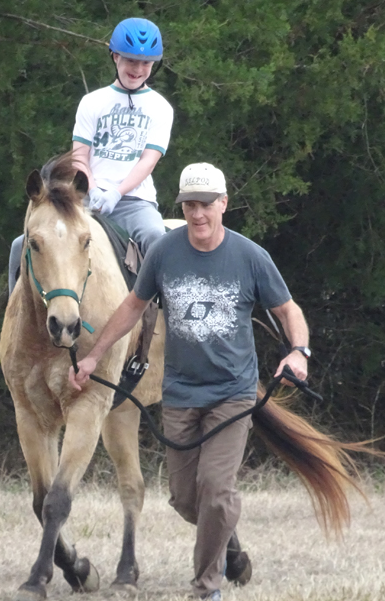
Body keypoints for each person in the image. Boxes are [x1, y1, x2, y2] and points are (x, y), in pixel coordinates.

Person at [69, 162, 311, 601]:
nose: (197, 214)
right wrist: (93, 357)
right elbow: (130, 308)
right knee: (185, 500)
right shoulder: (165, 252)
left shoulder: (249, 256)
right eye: (190, 205)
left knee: (216, 491)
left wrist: (298, 352)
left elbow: (288, 311)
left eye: (206, 205)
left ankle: (206, 588)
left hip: (232, 395)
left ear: (224, 204)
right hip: (180, 395)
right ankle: (226, 540)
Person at [0, 17, 174, 363]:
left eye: (145, 63)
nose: (138, 68)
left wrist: (117, 190)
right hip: (87, 200)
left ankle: (174, 338)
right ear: (114, 56)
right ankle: (12, 337)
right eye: (131, 60)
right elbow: (80, 154)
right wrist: (91, 187)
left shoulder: (160, 107)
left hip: (135, 200)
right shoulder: (93, 102)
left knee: (158, 240)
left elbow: (149, 159)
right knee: (19, 247)